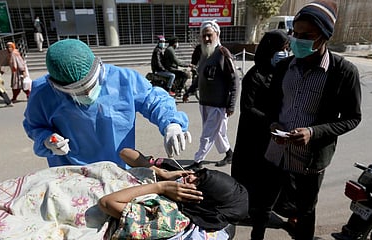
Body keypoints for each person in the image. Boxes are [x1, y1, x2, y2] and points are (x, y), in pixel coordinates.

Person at [258, 1, 362, 239]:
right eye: (295, 33)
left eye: (307, 35)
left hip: (309, 160)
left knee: (305, 212)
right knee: (264, 205)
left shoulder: (344, 72)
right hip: (277, 151)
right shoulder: (284, 66)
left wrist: (313, 133)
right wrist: (273, 124)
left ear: (324, 36)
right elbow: (271, 106)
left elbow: (352, 118)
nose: (298, 40)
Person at [23, 39, 191, 169]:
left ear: (98, 67)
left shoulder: (123, 79)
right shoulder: (43, 94)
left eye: (89, 85)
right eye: (77, 91)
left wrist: (172, 123)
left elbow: (153, 99)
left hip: (118, 168)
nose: (87, 94)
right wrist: (46, 141)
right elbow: (35, 126)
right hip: (70, 172)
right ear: (56, 86)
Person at [99, 148, 248, 239]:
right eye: (198, 174)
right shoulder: (176, 178)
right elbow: (125, 153)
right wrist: (161, 173)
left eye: (198, 182)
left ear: (201, 201)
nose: (191, 176)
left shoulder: (168, 218)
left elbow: (107, 203)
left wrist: (160, 187)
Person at [228, 30, 292, 240]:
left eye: (286, 49)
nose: (285, 53)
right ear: (270, 49)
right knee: (249, 177)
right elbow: (248, 108)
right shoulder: (255, 75)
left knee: (270, 180)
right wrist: (270, 122)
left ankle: (262, 218)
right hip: (253, 136)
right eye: (281, 49)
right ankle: (246, 213)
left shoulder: (283, 73)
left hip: (275, 136)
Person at [186, 20, 239, 169]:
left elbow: (235, 80)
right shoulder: (204, 53)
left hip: (219, 105)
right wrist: (189, 91)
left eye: (209, 35)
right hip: (204, 103)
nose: (207, 39)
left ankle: (198, 161)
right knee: (218, 133)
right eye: (204, 36)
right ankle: (229, 154)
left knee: (207, 134)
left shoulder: (222, 53)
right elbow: (200, 77)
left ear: (217, 34)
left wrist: (231, 104)